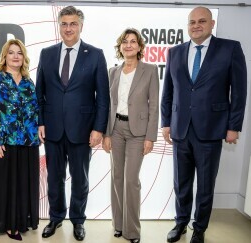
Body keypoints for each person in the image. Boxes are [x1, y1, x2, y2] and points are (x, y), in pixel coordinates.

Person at [161, 6, 247, 243]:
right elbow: (168, 91)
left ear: (211, 24)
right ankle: (180, 223)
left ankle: (199, 228)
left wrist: (233, 126)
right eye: (191, 22)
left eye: (201, 21)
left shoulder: (230, 49)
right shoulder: (175, 52)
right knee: (181, 183)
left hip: (211, 129)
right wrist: (166, 122)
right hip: (180, 129)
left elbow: (239, 92)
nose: (196, 26)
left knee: (206, 184)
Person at [36, 6, 109, 241]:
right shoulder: (46, 54)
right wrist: (40, 122)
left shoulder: (95, 54)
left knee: (80, 179)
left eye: (73, 24)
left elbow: (103, 97)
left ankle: (78, 220)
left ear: (81, 26)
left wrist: (98, 128)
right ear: (59, 26)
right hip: (53, 129)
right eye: (64, 24)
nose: (68, 28)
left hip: (83, 130)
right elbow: (40, 92)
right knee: (54, 177)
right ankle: (56, 217)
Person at [102, 28, 159, 243]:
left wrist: (150, 137)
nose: (128, 45)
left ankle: (132, 230)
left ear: (139, 47)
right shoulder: (113, 72)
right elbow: (108, 105)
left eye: (133, 41)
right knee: (117, 177)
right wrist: (107, 133)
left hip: (138, 133)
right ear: (120, 47)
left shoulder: (150, 70)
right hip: (116, 129)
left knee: (131, 180)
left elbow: (154, 105)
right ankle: (118, 224)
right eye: (125, 41)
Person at [0, 39, 40, 241]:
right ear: (4, 56)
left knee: (23, 184)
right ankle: (8, 224)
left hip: (27, 142)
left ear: (24, 57)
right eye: (11, 52)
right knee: (5, 185)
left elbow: (35, 111)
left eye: (19, 53)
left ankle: (21, 221)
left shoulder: (28, 81)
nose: (15, 56)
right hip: (3, 143)